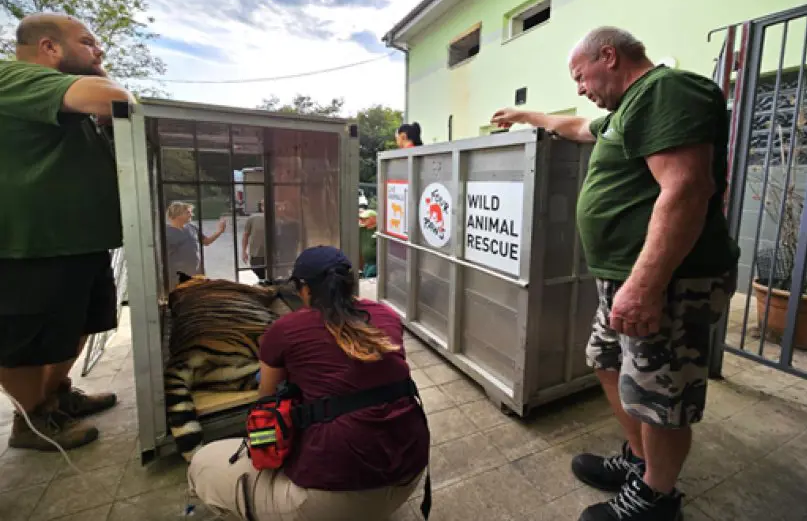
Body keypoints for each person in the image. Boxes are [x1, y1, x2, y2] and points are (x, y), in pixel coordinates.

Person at [491, 26, 739, 521]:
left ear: (609, 56)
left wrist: (646, 285)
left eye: (581, 76)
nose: (580, 87)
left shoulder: (667, 90)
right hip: (628, 280)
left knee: (661, 394)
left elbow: (688, 188)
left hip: (670, 283)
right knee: (606, 359)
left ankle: (656, 498)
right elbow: (579, 125)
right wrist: (525, 114)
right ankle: (641, 460)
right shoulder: (626, 111)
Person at [187, 246, 430, 521]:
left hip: (332, 498)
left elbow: (265, 400)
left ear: (304, 289)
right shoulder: (386, 315)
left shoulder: (284, 330)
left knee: (204, 462)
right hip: (408, 476)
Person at [0, 13, 136, 451]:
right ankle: (34, 419)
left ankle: (55, 396)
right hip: (33, 246)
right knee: (22, 343)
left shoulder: (57, 99)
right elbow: (115, 99)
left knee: (81, 324)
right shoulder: (15, 75)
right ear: (49, 48)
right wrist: (101, 75)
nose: (99, 51)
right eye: (88, 42)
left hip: (79, 243)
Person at [164, 201, 226, 289]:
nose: (191, 215)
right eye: (188, 212)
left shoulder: (192, 228)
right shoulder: (165, 233)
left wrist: (219, 231)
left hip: (195, 275)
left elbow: (206, 241)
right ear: (177, 214)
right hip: (176, 278)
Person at [242, 199, 267, 280]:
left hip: (271, 254)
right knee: (257, 270)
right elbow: (246, 235)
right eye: (263, 205)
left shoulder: (277, 218)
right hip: (256, 253)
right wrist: (243, 251)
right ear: (261, 206)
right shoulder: (253, 218)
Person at [359, 208, 378, 278]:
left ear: (373, 219)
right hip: (366, 262)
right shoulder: (361, 229)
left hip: (376, 263)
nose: (362, 220)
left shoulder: (379, 230)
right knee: (365, 277)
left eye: (365, 218)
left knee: (369, 278)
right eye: (361, 218)